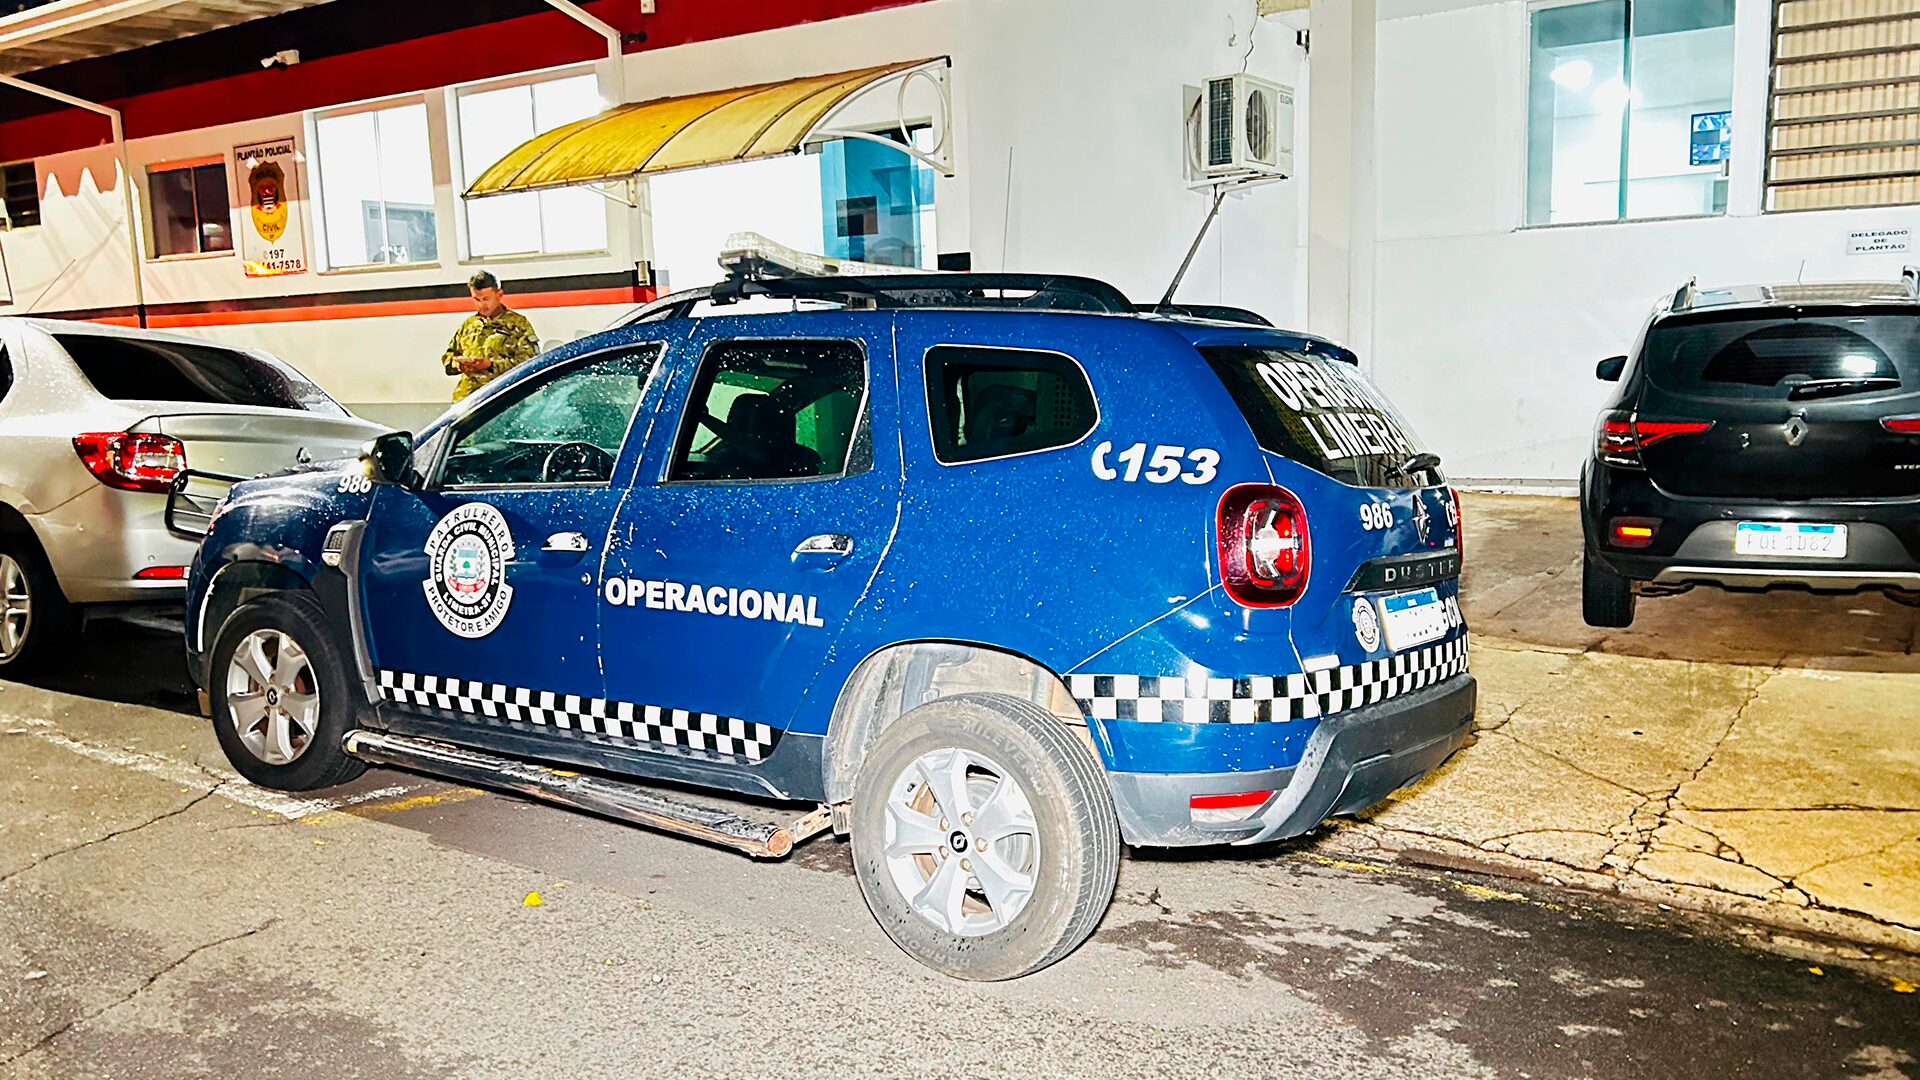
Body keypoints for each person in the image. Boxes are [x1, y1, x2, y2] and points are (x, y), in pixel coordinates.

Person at [442, 271, 539, 401]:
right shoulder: (469, 325)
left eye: (486, 299)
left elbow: (530, 363)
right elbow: (448, 356)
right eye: (476, 299)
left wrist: (491, 365)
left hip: (500, 400)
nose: (482, 305)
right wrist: (457, 364)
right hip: (467, 401)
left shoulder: (517, 324)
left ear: (499, 295)